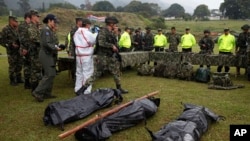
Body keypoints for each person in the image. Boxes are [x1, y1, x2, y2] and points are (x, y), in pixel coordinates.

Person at [77, 16, 128, 94]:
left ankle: (119, 88)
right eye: (114, 24)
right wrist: (111, 46)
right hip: (103, 57)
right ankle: (82, 89)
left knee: (116, 72)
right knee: (97, 73)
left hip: (110, 56)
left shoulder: (111, 32)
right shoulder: (103, 31)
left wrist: (116, 34)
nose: (115, 25)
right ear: (111, 24)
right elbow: (101, 43)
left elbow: (116, 43)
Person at [32, 14, 64, 102]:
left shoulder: (49, 30)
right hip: (45, 54)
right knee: (49, 74)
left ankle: (46, 93)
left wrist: (57, 46)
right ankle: (38, 92)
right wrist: (56, 48)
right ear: (49, 20)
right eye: (54, 22)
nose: (55, 24)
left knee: (52, 73)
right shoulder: (45, 30)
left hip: (49, 54)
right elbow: (46, 43)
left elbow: (51, 42)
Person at [74, 18, 96, 95]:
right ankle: (86, 91)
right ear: (87, 25)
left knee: (79, 73)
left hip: (78, 55)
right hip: (86, 55)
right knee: (87, 73)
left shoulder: (76, 32)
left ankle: (77, 88)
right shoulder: (87, 33)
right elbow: (93, 41)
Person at [1, 16, 23, 86]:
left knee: (19, 64)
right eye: (16, 21)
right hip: (11, 51)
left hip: (18, 50)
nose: (17, 23)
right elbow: (1, 40)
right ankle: (12, 80)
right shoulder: (6, 29)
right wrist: (10, 44)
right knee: (12, 65)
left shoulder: (17, 29)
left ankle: (18, 78)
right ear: (11, 21)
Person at [27, 10, 42, 91]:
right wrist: (44, 42)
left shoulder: (36, 27)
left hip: (38, 52)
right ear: (32, 17)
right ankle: (34, 89)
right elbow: (34, 39)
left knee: (38, 69)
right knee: (35, 70)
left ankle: (37, 88)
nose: (38, 18)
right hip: (34, 52)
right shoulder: (31, 27)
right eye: (37, 16)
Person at [19, 12, 31, 89]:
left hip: (28, 48)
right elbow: (22, 39)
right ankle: (27, 83)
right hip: (25, 48)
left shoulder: (28, 26)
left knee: (28, 65)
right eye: (30, 18)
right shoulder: (23, 26)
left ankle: (28, 81)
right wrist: (24, 48)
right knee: (27, 66)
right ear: (27, 18)